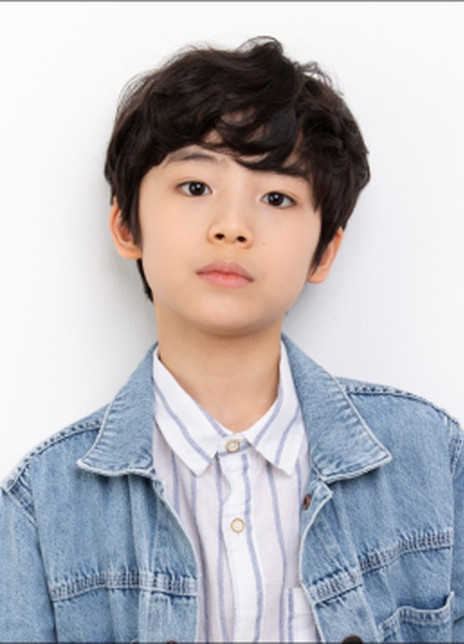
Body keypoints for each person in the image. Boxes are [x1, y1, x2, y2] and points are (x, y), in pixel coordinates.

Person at [0, 36, 462, 644]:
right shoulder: (41, 504)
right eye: (196, 187)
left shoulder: (432, 456)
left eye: (276, 197)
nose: (232, 227)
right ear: (126, 224)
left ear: (324, 252)